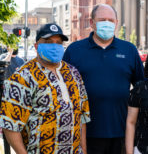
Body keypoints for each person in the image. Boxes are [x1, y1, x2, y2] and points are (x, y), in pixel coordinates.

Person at [63, 4, 144, 154]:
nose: (107, 23)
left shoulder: (129, 50)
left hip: (121, 132)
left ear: (116, 23)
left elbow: (142, 87)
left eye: (110, 20)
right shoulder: (74, 50)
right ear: (92, 22)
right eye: (102, 19)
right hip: (85, 133)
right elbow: (62, 89)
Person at [0, 23, 90, 153]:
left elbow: (82, 116)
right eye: (48, 41)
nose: (54, 46)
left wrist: (84, 150)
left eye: (58, 43)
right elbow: (10, 126)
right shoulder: (21, 78)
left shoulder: (73, 73)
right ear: (36, 46)